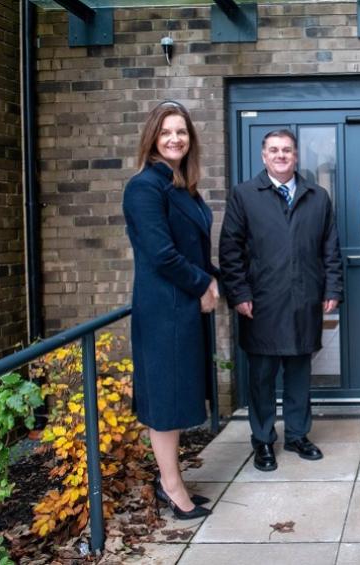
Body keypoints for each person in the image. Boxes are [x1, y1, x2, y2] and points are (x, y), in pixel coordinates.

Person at [219, 129, 343, 472]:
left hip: (304, 300)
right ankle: (262, 441)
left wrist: (333, 288)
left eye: (287, 150)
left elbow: (330, 248)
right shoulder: (244, 195)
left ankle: (298, 435)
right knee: (261, 377)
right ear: (263, 156)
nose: (281, 155)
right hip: (261, 303)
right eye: (273, 150)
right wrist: (239, 293)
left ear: (296, 156)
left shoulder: (317, 197)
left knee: (299, 374)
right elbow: (230, 250)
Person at [123, 100, 219, 519]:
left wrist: (216, 279)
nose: (175, 138)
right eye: (166, 132)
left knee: (177, 396)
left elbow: (193, 249)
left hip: (183, 309)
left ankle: (173, 478)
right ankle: (171, 485)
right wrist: (203, 285)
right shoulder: (144, 186)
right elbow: (161, 254)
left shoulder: (181, 186)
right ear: (153, 139)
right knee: (164, 402)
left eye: (181, 132)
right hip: (164, 312)